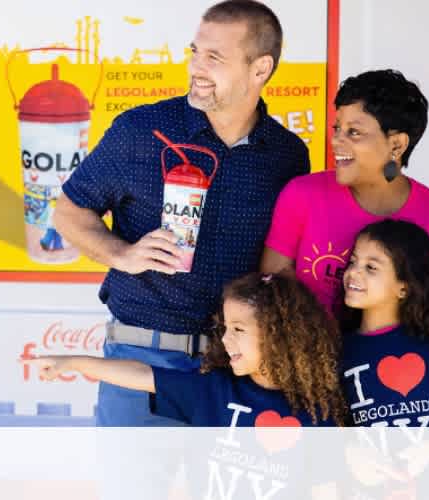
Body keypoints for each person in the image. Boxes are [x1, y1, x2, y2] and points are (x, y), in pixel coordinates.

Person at [55, 0, 310, 427]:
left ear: (260, 69)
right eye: (194, 52)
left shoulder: (286, 156)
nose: (196, 67)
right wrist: (122, 254)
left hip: (235, 368)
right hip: (140, 357)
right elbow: (69, 211)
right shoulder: (140, 131)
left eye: (214, 57)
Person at [24, 272, 345, 499]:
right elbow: (140, 374)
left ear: (278, 334)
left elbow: (325, 490)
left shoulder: (319, 415)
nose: (225, 338)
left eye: (238, 329)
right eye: (224, 327)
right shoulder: (212, 389)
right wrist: (74, 362)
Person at [261, 69, 429, 311]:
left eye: (354, 132)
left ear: (397, 144)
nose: (336, 140)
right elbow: (270, 306)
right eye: (337, 128)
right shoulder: (301, 195)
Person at [338, 220, 429, 499]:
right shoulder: (337, 349)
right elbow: (333, 430)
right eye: (353, 261)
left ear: (403, 288)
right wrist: (352, 457)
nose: (353, 272)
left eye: (371, 267)